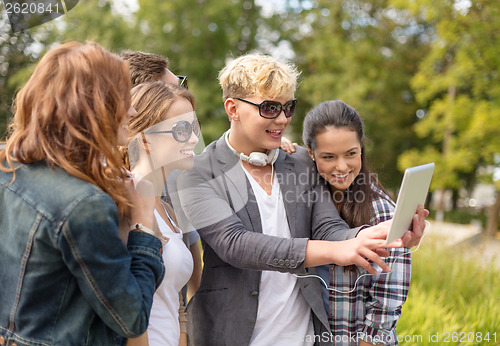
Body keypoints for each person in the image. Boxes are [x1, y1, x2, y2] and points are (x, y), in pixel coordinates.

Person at [176, 54, 426, 345]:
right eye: (270, 108)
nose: (282, 119)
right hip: (226, 334)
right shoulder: (197, 173)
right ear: (233, 108)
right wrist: (335, 251)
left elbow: (329, 229)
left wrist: (374, 236)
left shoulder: (301, 163)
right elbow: (234, 244)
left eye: (288, 107)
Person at [0, 42, 164, 345]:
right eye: (124, 98)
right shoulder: (84, 205)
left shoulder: (9, 164)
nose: (133, 110)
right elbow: (132, 317)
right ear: (94, 106)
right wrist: (143, 223)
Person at [301, 100, 411, 346]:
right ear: (310, 153)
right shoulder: (301, 205)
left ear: (361, 148)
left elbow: (386, 305)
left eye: (351, 154)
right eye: (328, 157)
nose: (342, 166)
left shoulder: (382, 212)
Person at [123, 81, 199, 346]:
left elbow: (176, 301)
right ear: (145, 139)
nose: (194, 138)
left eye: (193, 127)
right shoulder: (124, 203)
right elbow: (127, 304)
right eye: (181, 129)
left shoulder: (168, 209)